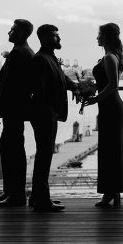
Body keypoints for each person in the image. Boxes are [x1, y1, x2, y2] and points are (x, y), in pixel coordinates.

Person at [0, 19, 35, 207]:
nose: (9, 32)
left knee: (12, 151)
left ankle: (16, 195)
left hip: (14, 109)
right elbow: (8, 83)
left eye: (12, 30)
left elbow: (12, 87)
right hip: (15, 109)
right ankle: (10, 191)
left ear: (21, 33)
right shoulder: (22, 52)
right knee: (10, 149)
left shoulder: (20, 53)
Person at [29, 24, 78, 212]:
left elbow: (61, 78)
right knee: (45, 155)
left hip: (49, 112)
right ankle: (42, 199)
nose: (59, 39)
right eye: (56, 37)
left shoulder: (49, 58)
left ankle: (37, 196)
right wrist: (47, 111)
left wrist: (76, 87)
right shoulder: (41, 59)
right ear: (44, 38)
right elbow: (39, 90)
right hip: (44, 113)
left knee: (44, 154)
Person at [84, 23, 123, 207]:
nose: (97, 38)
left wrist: (96, 99)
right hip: (109, 105)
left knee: (110, 150)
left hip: (110, 106)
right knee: (111, 149)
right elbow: (105, 83)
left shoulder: (110, 57)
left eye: (99, 34)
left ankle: (110, 193)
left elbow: (113, 85)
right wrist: (89, 88)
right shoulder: (110, 57)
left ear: (107, 37)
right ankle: (113, 191)